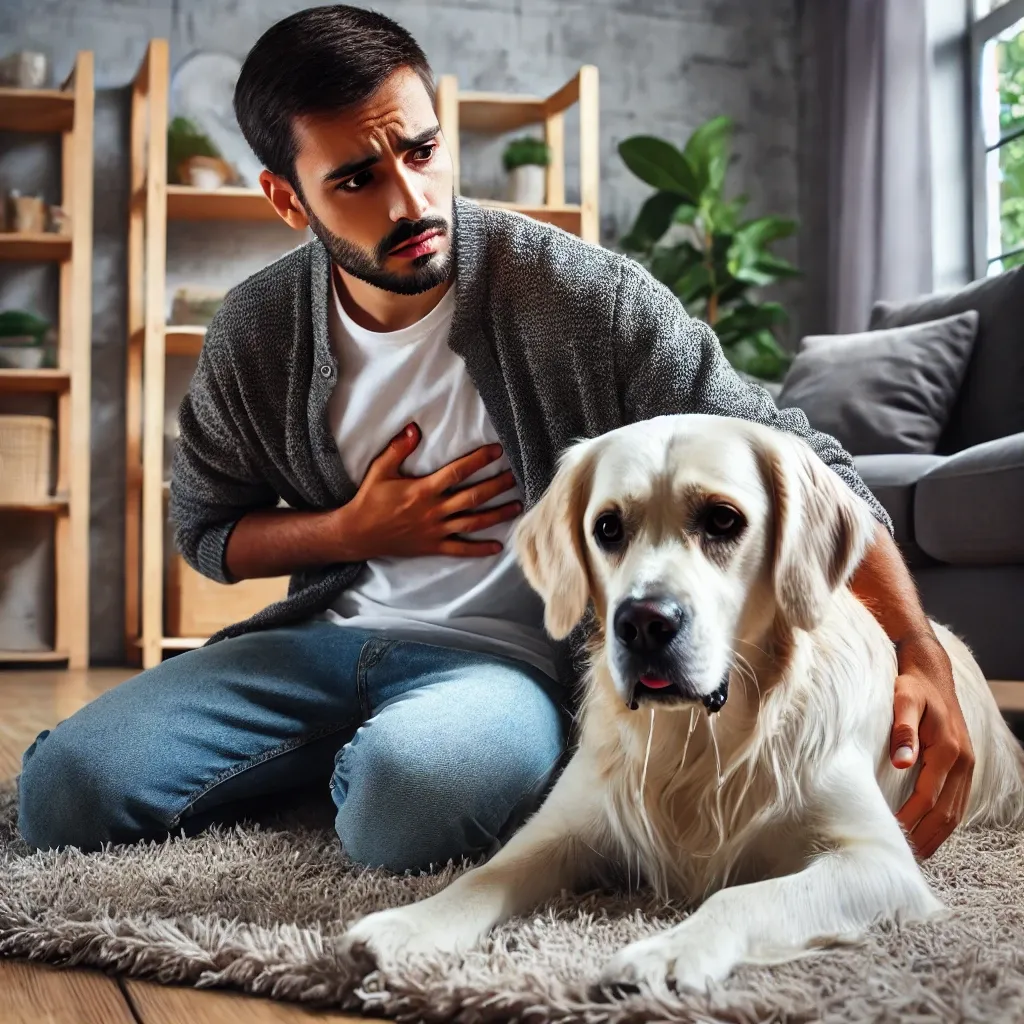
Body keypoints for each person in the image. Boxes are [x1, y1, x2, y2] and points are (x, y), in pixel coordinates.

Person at [18, 5, 973, 871]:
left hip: (498, 665)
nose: (410, 202)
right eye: (356, 178)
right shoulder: (255, 330)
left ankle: (384, 770)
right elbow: (206, 532)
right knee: (61, 795)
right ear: (285, 197)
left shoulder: (586, 299)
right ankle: (347, 764)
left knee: (409, 805)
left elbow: (813, 466)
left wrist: (923, 658)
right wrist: (354, 532)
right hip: (312, 647)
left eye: (424, 151)